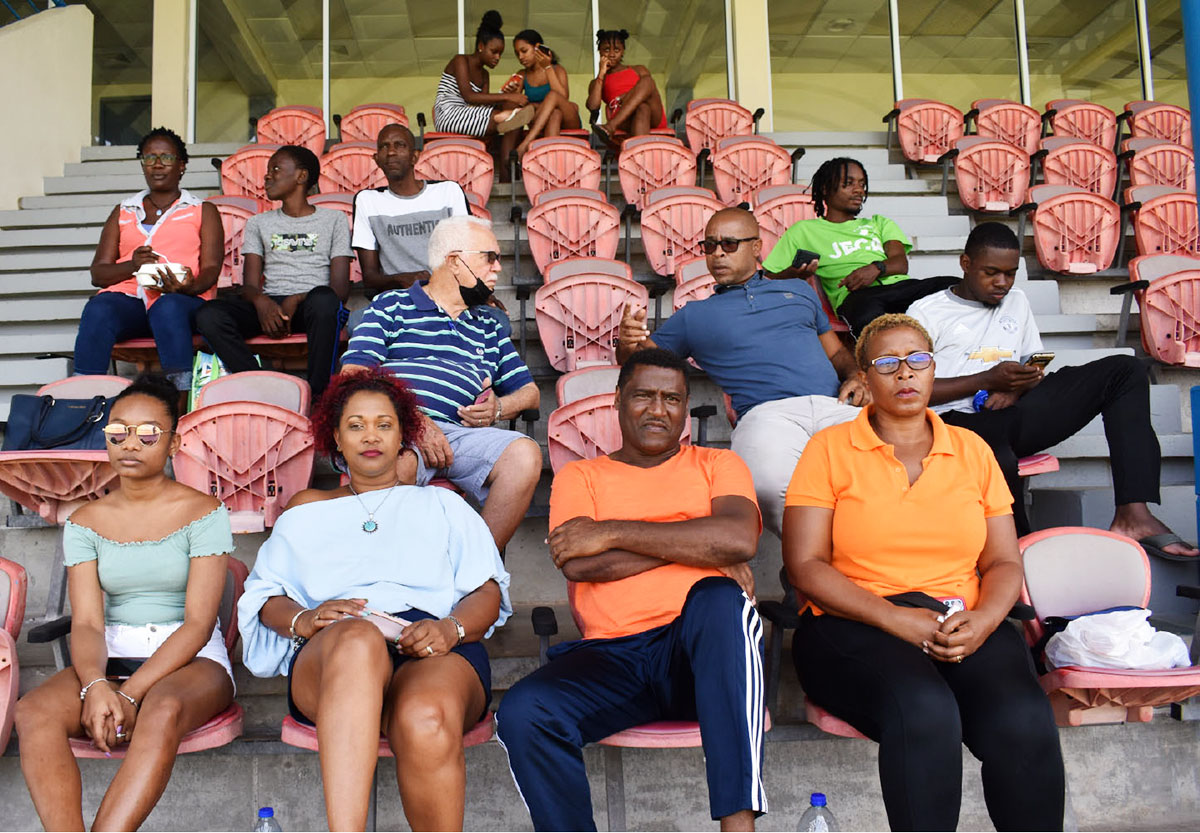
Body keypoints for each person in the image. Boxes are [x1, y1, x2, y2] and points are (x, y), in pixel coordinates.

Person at [783, 314, 1066, 832]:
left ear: (934, 370)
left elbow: (1003, 561)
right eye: (887, 363)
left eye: (918, 360)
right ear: (865, 379)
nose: (905, 374)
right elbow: (804, 566)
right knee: (923, 708)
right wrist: (894, 619)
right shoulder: (828, 451)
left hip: (960, 621)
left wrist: (983, 621)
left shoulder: (972, 450)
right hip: (854, 624)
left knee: (1022, 718)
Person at [497, 348, 766, 832]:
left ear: (686, 408)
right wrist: (698, 543)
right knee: (524, 710)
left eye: (671, 399)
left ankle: (739, 826)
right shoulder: (582, 475)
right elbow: (582, 563)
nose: (657, 409)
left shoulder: (717, 464)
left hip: (703, 659)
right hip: (612, 660)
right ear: (618, 401)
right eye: (643, 396)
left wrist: (613, 531)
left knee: (719, 600)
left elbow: (739, 538)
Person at [237, 368, 511, 831]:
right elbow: (265, 596)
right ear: (336, 440)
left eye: (384, 425)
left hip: (431, 642)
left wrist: (450, 629)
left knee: (425, 718)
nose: (371, 436)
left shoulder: (442, 505)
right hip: (333, 649)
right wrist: (304, 619)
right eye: (356, 425)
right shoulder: (306, 509)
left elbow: (486, 589)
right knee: (358, 639)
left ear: (404, 435)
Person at [14, 373, 235, 831]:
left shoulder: (205, 513)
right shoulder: (84, 522)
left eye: (148, 433)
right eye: (118, 432)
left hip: (189, 660)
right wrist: (96, 685)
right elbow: (90, 625)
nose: (130, 443)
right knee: (32, 710)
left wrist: (130, 694)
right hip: (110, 652)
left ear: (173, 445)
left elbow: (197, 623)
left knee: (162, 708)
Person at [907, 222, 1198, 555]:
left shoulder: (1015, 301)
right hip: (957, 421)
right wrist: (987, 381)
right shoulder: (926, 312)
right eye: (991, 272)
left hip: (1014, 409)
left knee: (1125, 370)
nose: (1002, 283)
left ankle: (1134, 514)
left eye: (1010, 273)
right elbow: (913, 389)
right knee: (993, 452)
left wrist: (1016, 388)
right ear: (965, 263)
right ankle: (1014, 553)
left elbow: (1037, 361)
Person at [618, 207, 869, 537]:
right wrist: (627, 341)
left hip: (834, 406)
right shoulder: (695, 316)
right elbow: (640, 363)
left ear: (756, 247)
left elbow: (835, 352)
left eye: (730, 244)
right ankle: (813, 567)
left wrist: (857, 375)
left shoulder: (800, 291)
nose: (718, 254)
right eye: (709, 246)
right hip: (767, 415)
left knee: (880, 473)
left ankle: (839, 565)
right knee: (766, 486)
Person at [340, 215, 541, 550]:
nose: (498, 268)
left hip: (460, 437)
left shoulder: (488, 326)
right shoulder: (392, 306)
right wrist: (416, 422)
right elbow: (354, 377)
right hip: (396, 428)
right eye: (488, 257)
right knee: (396, 461)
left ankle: (476, 569)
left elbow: (531, 394)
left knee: (524, 455)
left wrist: (500, 407)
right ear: (454, 261)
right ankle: (384, 577)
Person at [195, 144, 350, 400]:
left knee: (326, 301)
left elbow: (341, 290)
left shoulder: (334, 220)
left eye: (276, 169)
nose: (267, 176)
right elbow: (250, 285)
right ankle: (261, 386)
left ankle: (318, 396)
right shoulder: (258, 223)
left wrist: (297, 298)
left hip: (314, 307)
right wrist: (262, 303)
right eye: (268, 171)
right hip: (270, 307)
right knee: (208, 314)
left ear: (301, 176)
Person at [75, 127, 224, 394]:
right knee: (99, 308)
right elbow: (99, 274)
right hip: (131, 304)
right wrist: (132, 265)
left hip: (182, 303)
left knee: (168, 307)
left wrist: (186, 288)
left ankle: (177, 404)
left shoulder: (202, 210)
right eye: (149, 158)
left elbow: (212, 268)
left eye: (166, 157)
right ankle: (84, 400)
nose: (157, 164)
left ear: (182, 165)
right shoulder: (123, 211)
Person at [762, 157, 957, 334]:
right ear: (825, 189)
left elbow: (900, 264)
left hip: (900, 287)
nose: (859, 190)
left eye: (862, 184)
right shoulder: (804, 230)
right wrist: (796, 274)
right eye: (849, 184)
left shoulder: (879, 223)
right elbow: (770, 276)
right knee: (869, 316)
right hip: (856, 297)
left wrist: (875, 268)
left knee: (954, 286)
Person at [434, 10, 534, 138]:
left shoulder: (485, 75)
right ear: (481, 46)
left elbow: (481, 103)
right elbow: (469, 97)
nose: (497, 57)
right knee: (500, 111)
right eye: (494, 52)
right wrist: (508, 97)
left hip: (469, 114)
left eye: (500, 54)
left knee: (499, 108)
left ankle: (504, 122)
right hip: (448, 115)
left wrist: (505, 93)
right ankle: (502, 119)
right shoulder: (461, 60)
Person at [506, 30, 582, 158]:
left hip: (568, 119)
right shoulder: (522, 74)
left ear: (537, 48)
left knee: (553, 97)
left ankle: (525, 145)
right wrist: (509, 93)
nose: (521, 57)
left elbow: (562, 98)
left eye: (524, 51)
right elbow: (515, 107)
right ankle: (549, 164)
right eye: (517, 53)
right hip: (538, 120)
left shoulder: (557, 69)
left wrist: (548, 67)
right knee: (554, 114)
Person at [586, 28, 667, 141]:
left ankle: (611, 126)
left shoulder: (639, 70)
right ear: (599, 50)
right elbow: (593, 107)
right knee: (642, 108)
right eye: (607, 49)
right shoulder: (597, 82)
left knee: (647, 82)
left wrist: (626, 96)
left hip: (654, 117)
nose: (612, 54)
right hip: (625, 119)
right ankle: (640, 156)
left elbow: (650, 93)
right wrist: (601, 74)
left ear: (623, 50)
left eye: (617, 50)